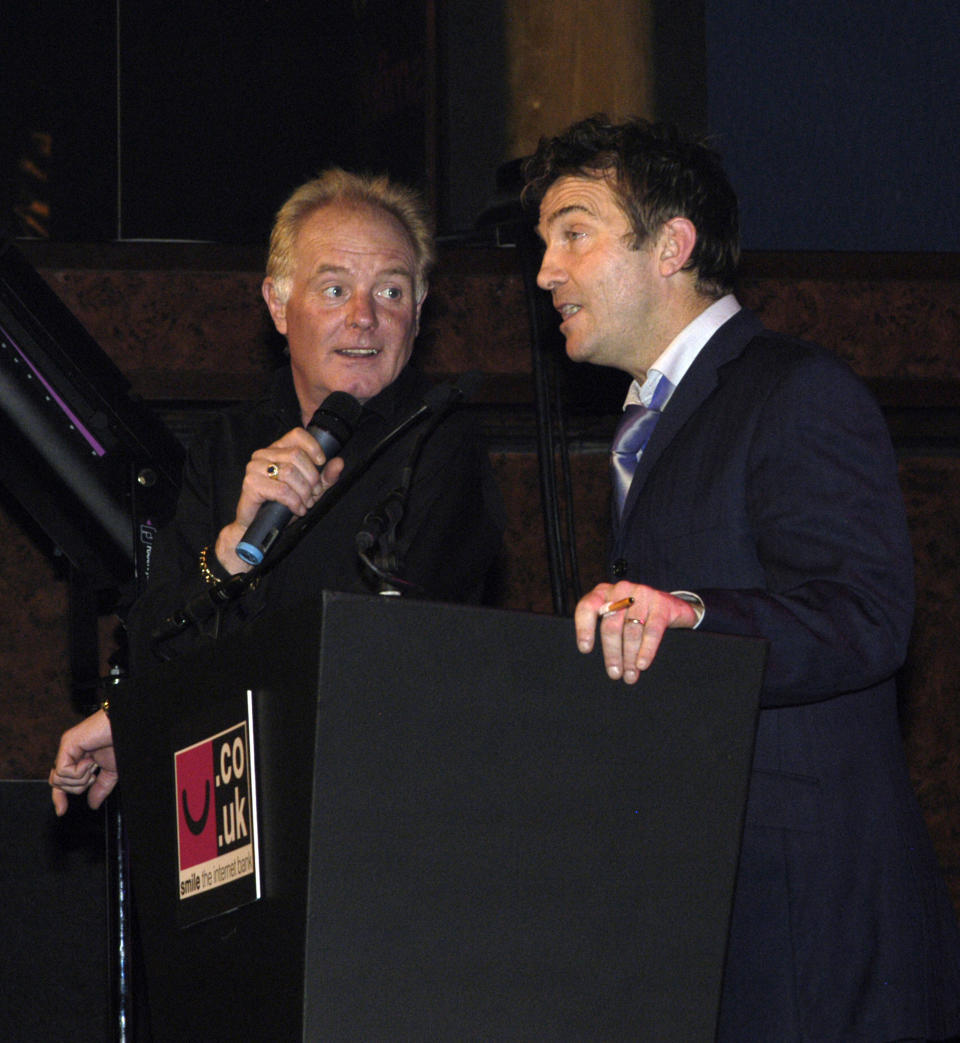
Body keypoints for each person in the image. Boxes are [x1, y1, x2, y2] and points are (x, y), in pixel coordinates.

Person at [524, 115, 960, 1040]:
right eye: (544, 243)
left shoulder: (795, 391)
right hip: (707, 917)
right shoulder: (648, 424)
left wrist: (688, 614)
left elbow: (866, 618)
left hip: (812, 927)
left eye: (574, 231)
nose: (545, 272)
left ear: (672, 244)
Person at [51, 167, 504, 815]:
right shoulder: (230, 446)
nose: (365, 317)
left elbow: (393, 658)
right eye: (335, 287)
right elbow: (152, 639)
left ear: (419, 310)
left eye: (392, 290)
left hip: (373, 803)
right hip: (232, 808)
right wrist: (233, 555)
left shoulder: (440, 443)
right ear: (276, 304)